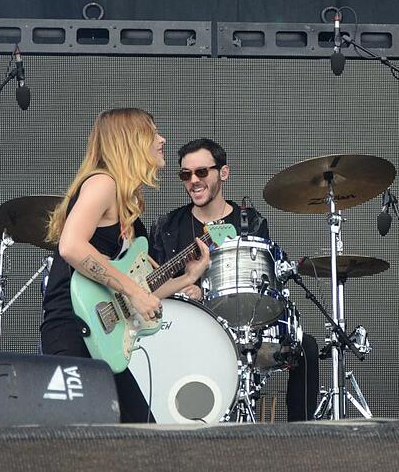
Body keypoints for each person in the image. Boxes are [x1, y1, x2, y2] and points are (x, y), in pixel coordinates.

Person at [40, 108, 210, 423]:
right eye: (154, 133)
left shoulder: (131, 213)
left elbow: (145, 287)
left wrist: (188, 276)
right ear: (131, 141)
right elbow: (71, 245)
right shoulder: (102, 183)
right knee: (78, 438)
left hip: (104, 336)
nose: (162, 140)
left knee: (141, 432)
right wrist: (133, 292)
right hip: (74, 327)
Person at [151, 138, 320, 421]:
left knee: (306, 347)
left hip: (238, 325)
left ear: (223, 173)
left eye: (202, 172)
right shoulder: (167, 226)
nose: (193, 180)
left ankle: (300, 436)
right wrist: (181, 293)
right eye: (186, 174)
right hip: (184, 331)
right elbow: (148, 286)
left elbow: (260, 284)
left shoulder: (250, 221)